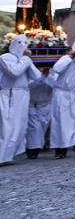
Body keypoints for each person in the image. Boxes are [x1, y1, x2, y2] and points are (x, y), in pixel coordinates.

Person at [0, 34, 40, 165]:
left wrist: (28, 61)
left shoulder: (25, 60)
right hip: (9, 95)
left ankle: (7, 156)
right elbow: (14, 72)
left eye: (25, 43)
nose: (23, 46)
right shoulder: (4, 58)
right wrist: (26, 61)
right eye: (20, 43)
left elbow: (37, 76)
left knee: (19, 126)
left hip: (23, 96)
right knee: (6, 126)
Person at [25, 67, 56, 159]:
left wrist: (47, 77)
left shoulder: (53, 77)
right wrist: (42, 77)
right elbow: (30, 85)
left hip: (45, 105)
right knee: (33, 127)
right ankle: (31, 149)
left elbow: (55, 85)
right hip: (32, 105)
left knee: (43, 126)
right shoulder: (32, 77)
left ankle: (38, 147)